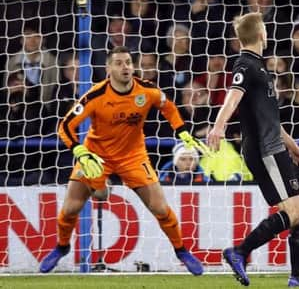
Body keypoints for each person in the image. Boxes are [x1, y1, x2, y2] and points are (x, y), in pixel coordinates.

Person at [39, 46, 208, 275]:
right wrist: (80, 151)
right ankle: (61, 246)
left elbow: (167, 106)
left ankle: (182, 251)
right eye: (119, 63)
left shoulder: (146, 90)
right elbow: (65, 126)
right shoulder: (96, 96)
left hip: (132, 156)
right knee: (70, 208)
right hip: (96, 156)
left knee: (160, 208)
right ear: (109, 69)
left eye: (128, 62)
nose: (125, 67)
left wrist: (182, 131)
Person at [207, 12, 299, 287]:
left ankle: (298, 276)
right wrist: (219, 126)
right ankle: (239, 252)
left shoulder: (260, 67)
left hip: (276, 147)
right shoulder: (245, 65)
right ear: (261, 35)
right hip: (264, 150)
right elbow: (232, 97)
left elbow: (270, 119)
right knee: (294, 211)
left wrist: (294, 148)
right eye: (266, 29)